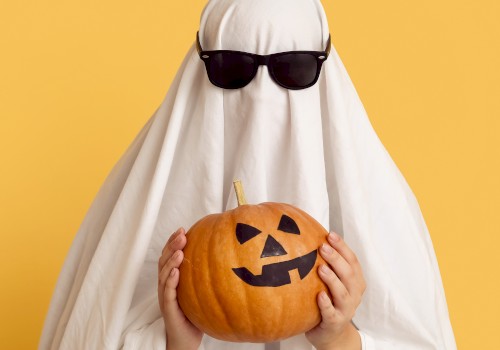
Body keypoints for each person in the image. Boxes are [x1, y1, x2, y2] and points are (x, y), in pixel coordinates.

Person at [39, 0, 457, 349]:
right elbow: (88, 333)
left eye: (294, 69)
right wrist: (176, 342)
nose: (261, 94)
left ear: (325, 68)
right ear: (201, 66)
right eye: (231, 68)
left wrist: (340, 338)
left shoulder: (379, 204)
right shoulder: (137, 201)